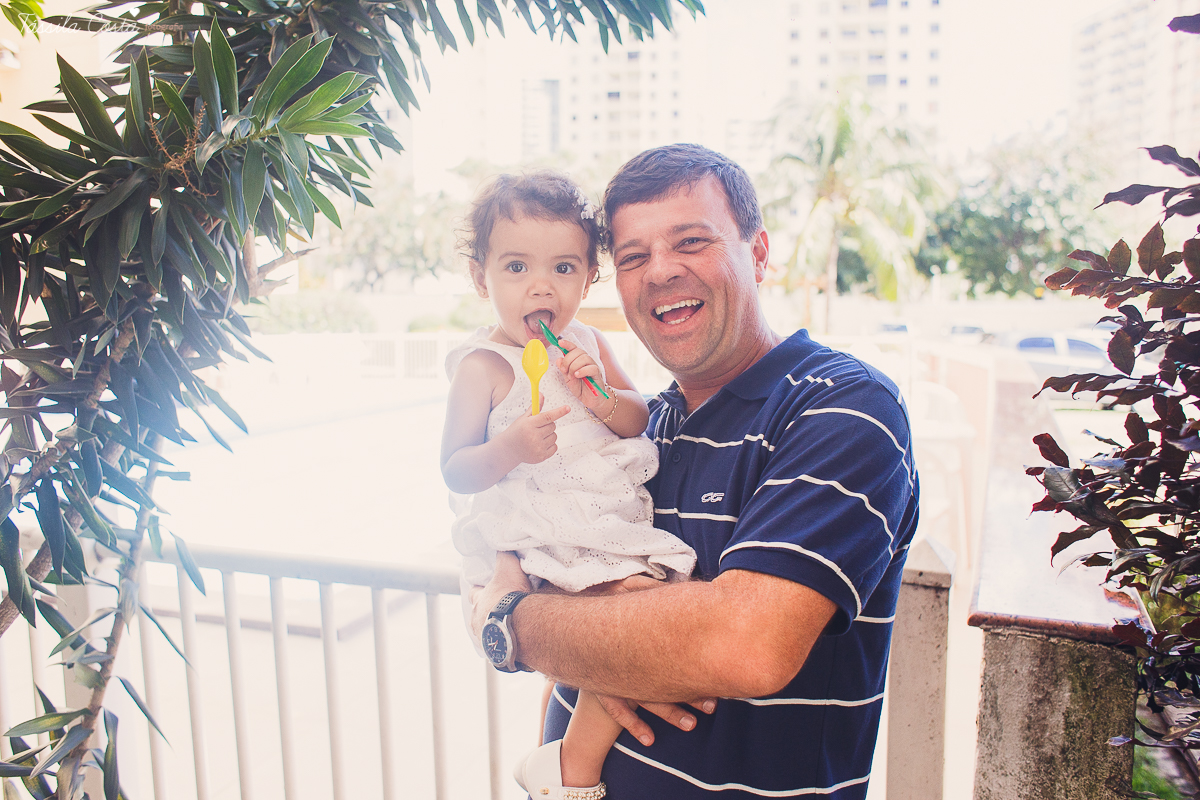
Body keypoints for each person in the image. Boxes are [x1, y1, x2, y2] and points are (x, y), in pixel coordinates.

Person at [470, 144, 920, 799]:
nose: (660, 272)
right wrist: (603, 634)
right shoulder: (637, 427)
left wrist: (511, 621)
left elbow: (745, 644)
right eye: (633, 257)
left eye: (691, 241)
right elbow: (564, 590)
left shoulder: (840, 407)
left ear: (759, 253)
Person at [441, 171, 697, 800]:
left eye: (562, 268)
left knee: (644, 616)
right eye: (517, 267)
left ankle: (557, 765)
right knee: (639, 613)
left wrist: (600, 397)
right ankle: (571, 775)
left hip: (602, 516)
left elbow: (638, 418)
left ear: (588, 278)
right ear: (483, 278)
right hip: (537, 527)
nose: (540, 286)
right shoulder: (484, 367)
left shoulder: (587, 342)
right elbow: (454, 467)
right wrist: (508, 448)